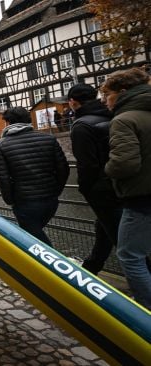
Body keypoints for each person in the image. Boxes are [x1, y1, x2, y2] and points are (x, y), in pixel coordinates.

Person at [101, 67, 151, 310]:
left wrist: (107, 169)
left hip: (142, 200)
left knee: (130, 256)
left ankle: (145, 310)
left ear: (122, 92)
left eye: (107, 95)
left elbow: (124, 164)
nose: (104, 102)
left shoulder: (124, 120)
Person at [0, 106, 69, 246]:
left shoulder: (1, 145)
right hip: (51, 201)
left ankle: (58, 266)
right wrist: (56, 191)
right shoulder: (49, 139)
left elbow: (3, 178)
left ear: (8, 123)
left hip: (25, 202)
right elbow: (63, 169)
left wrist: (10, 200)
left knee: (37, 243)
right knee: (34, 235)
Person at [67, 83, 121, 275]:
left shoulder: (81, 126)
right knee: (104, 227)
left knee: (121, 242)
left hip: (102, 189)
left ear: (73, 102)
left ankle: (144, 293)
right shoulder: (111, 115)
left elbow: (87, 164)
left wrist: (85, 188)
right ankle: (91, 268)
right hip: (121, 182)